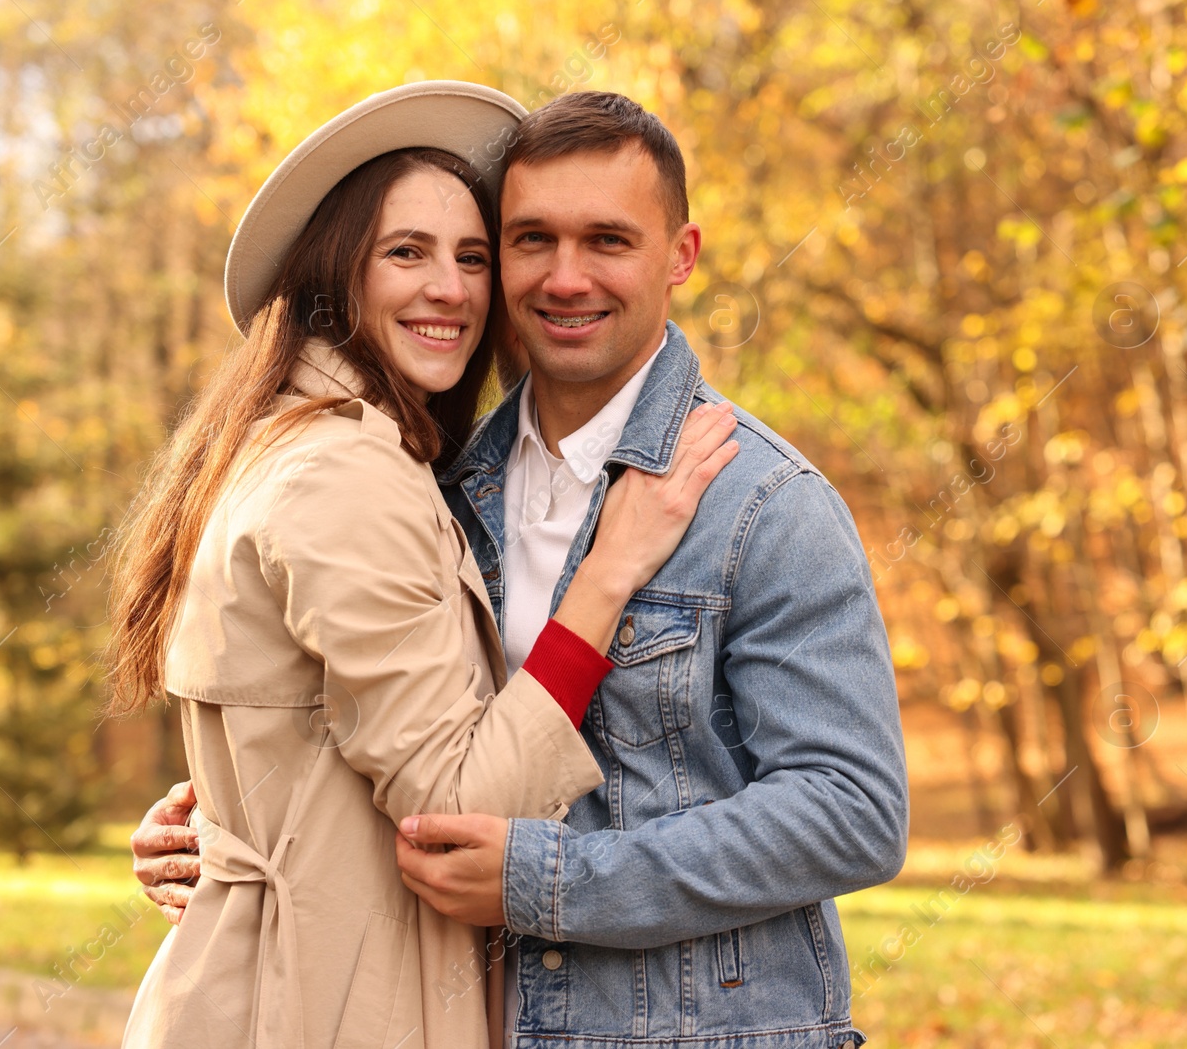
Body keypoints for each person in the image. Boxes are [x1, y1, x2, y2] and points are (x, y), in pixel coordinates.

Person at [133, 90, 909, 1049]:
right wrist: (236, 814)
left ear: (681, 257)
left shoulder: (762, 502)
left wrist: (550, 883)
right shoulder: (441, 483)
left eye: (609, 241)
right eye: (531, 239)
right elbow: (392, 735)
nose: (565, 277)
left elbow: (853, 811)